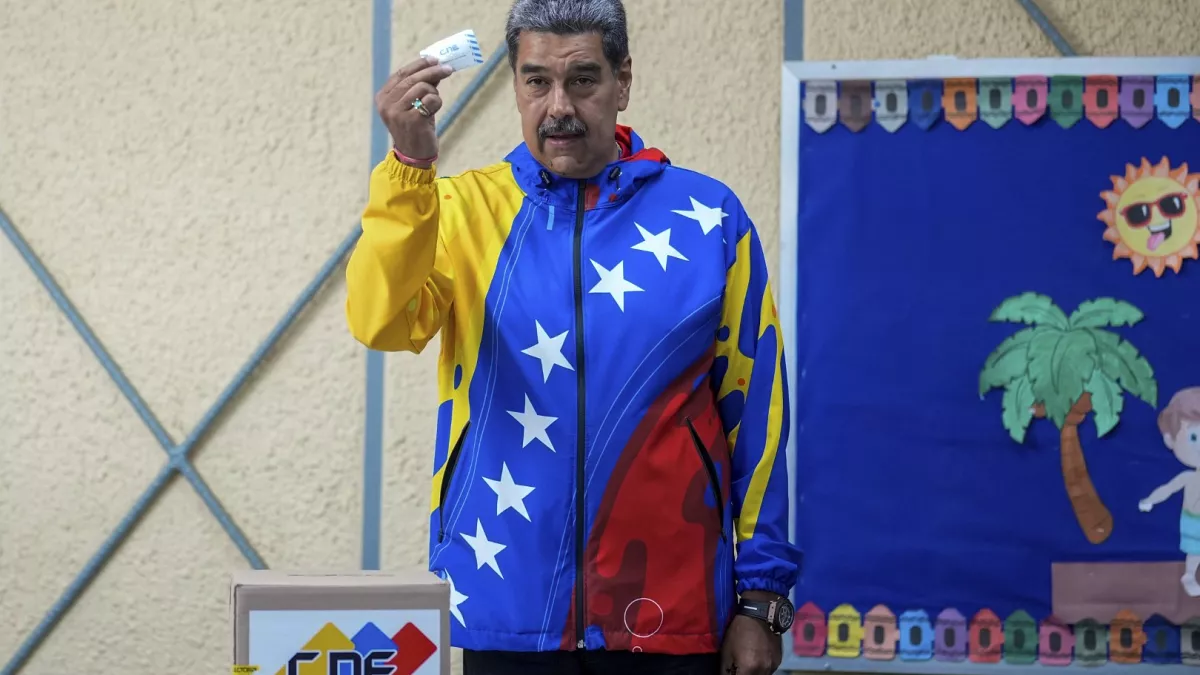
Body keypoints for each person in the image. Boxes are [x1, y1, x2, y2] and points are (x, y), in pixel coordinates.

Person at [344, 0, 801, 673]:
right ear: (515, 85)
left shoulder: (709, 217)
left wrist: (762, 599)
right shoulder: (462, 210)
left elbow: (757, 416)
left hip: (669, 617)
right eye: (537, 81)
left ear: (623, 81)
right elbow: (382, 321)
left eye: (583, 79)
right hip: (507, 613)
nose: (558, 106)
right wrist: (410, 166)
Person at [1139, 387, 1200, 596]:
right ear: (1170, 440)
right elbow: (1168, 489)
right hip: (1194, 521)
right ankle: (1189, 575)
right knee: (1195, 552)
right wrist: (1150, 500)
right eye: (1194, 437)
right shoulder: (1188, 477)